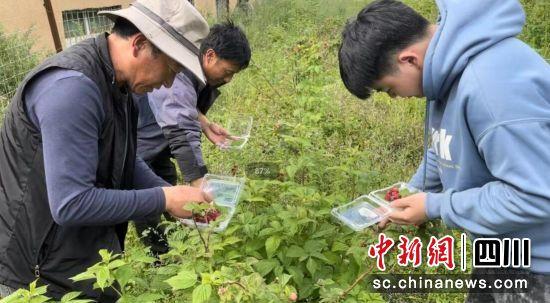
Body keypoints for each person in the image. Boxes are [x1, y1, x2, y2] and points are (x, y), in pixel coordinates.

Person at [0, 0, 213, 301]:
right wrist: (165, 198)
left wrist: (171, 195)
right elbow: (71, 203)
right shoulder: (72, 89)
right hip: (33, 277)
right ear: (139, 44)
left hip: (79, 259)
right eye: (171, 68)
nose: (168, 82)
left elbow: (123, 155)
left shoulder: (118, 82)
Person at [339, 0, 550, 301]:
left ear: (408, 60)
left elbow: (537, 195)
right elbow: (445, 147)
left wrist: (435, 206)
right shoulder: (448, 70)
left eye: (389, 89)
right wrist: (409, 191)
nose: (396, 97)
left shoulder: (493, 91)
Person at [134, 21, 251, 256]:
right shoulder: (179, 69)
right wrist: (200, 185)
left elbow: (183, 106)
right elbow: (181, 131)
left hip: (158, 144)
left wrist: (206, 124)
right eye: (227, 72)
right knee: (149, 203)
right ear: (209, 55)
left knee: (167, 185)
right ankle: (159, 259)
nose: (228, 80)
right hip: (140, 145)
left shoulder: (192, 63)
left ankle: (176, 248)